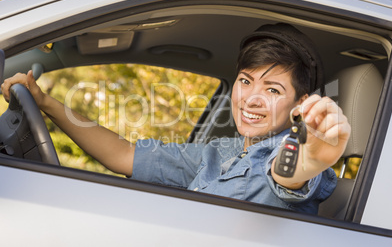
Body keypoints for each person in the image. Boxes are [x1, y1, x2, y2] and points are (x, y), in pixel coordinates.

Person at [1, 23, 351, 214]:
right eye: (246, 81)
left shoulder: (285, 156)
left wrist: (310, 159)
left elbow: (286, 176)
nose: (252, 99)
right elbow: (123, 154)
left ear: (300, 104)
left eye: (273, 90)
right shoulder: (222, 153)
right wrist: (45, 102)